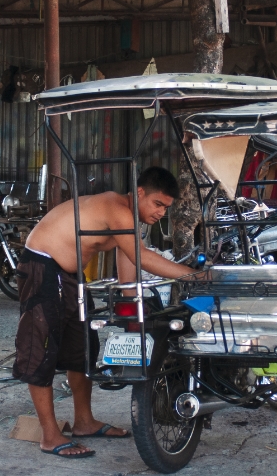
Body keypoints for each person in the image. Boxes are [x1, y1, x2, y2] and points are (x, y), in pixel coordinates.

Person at [13, 167, 192, 459]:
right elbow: (142, 257)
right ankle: (49, 435)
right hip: (42, 267)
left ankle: (84, 422)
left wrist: (132, 301)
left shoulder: (129, 219)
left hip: (70, 276)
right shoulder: (117, 208)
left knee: (82, 348)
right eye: (157, 204)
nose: (161, 212)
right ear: (140, 193)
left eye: (166, 208)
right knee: (40, 350)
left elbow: (127, 257)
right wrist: (191, 276)